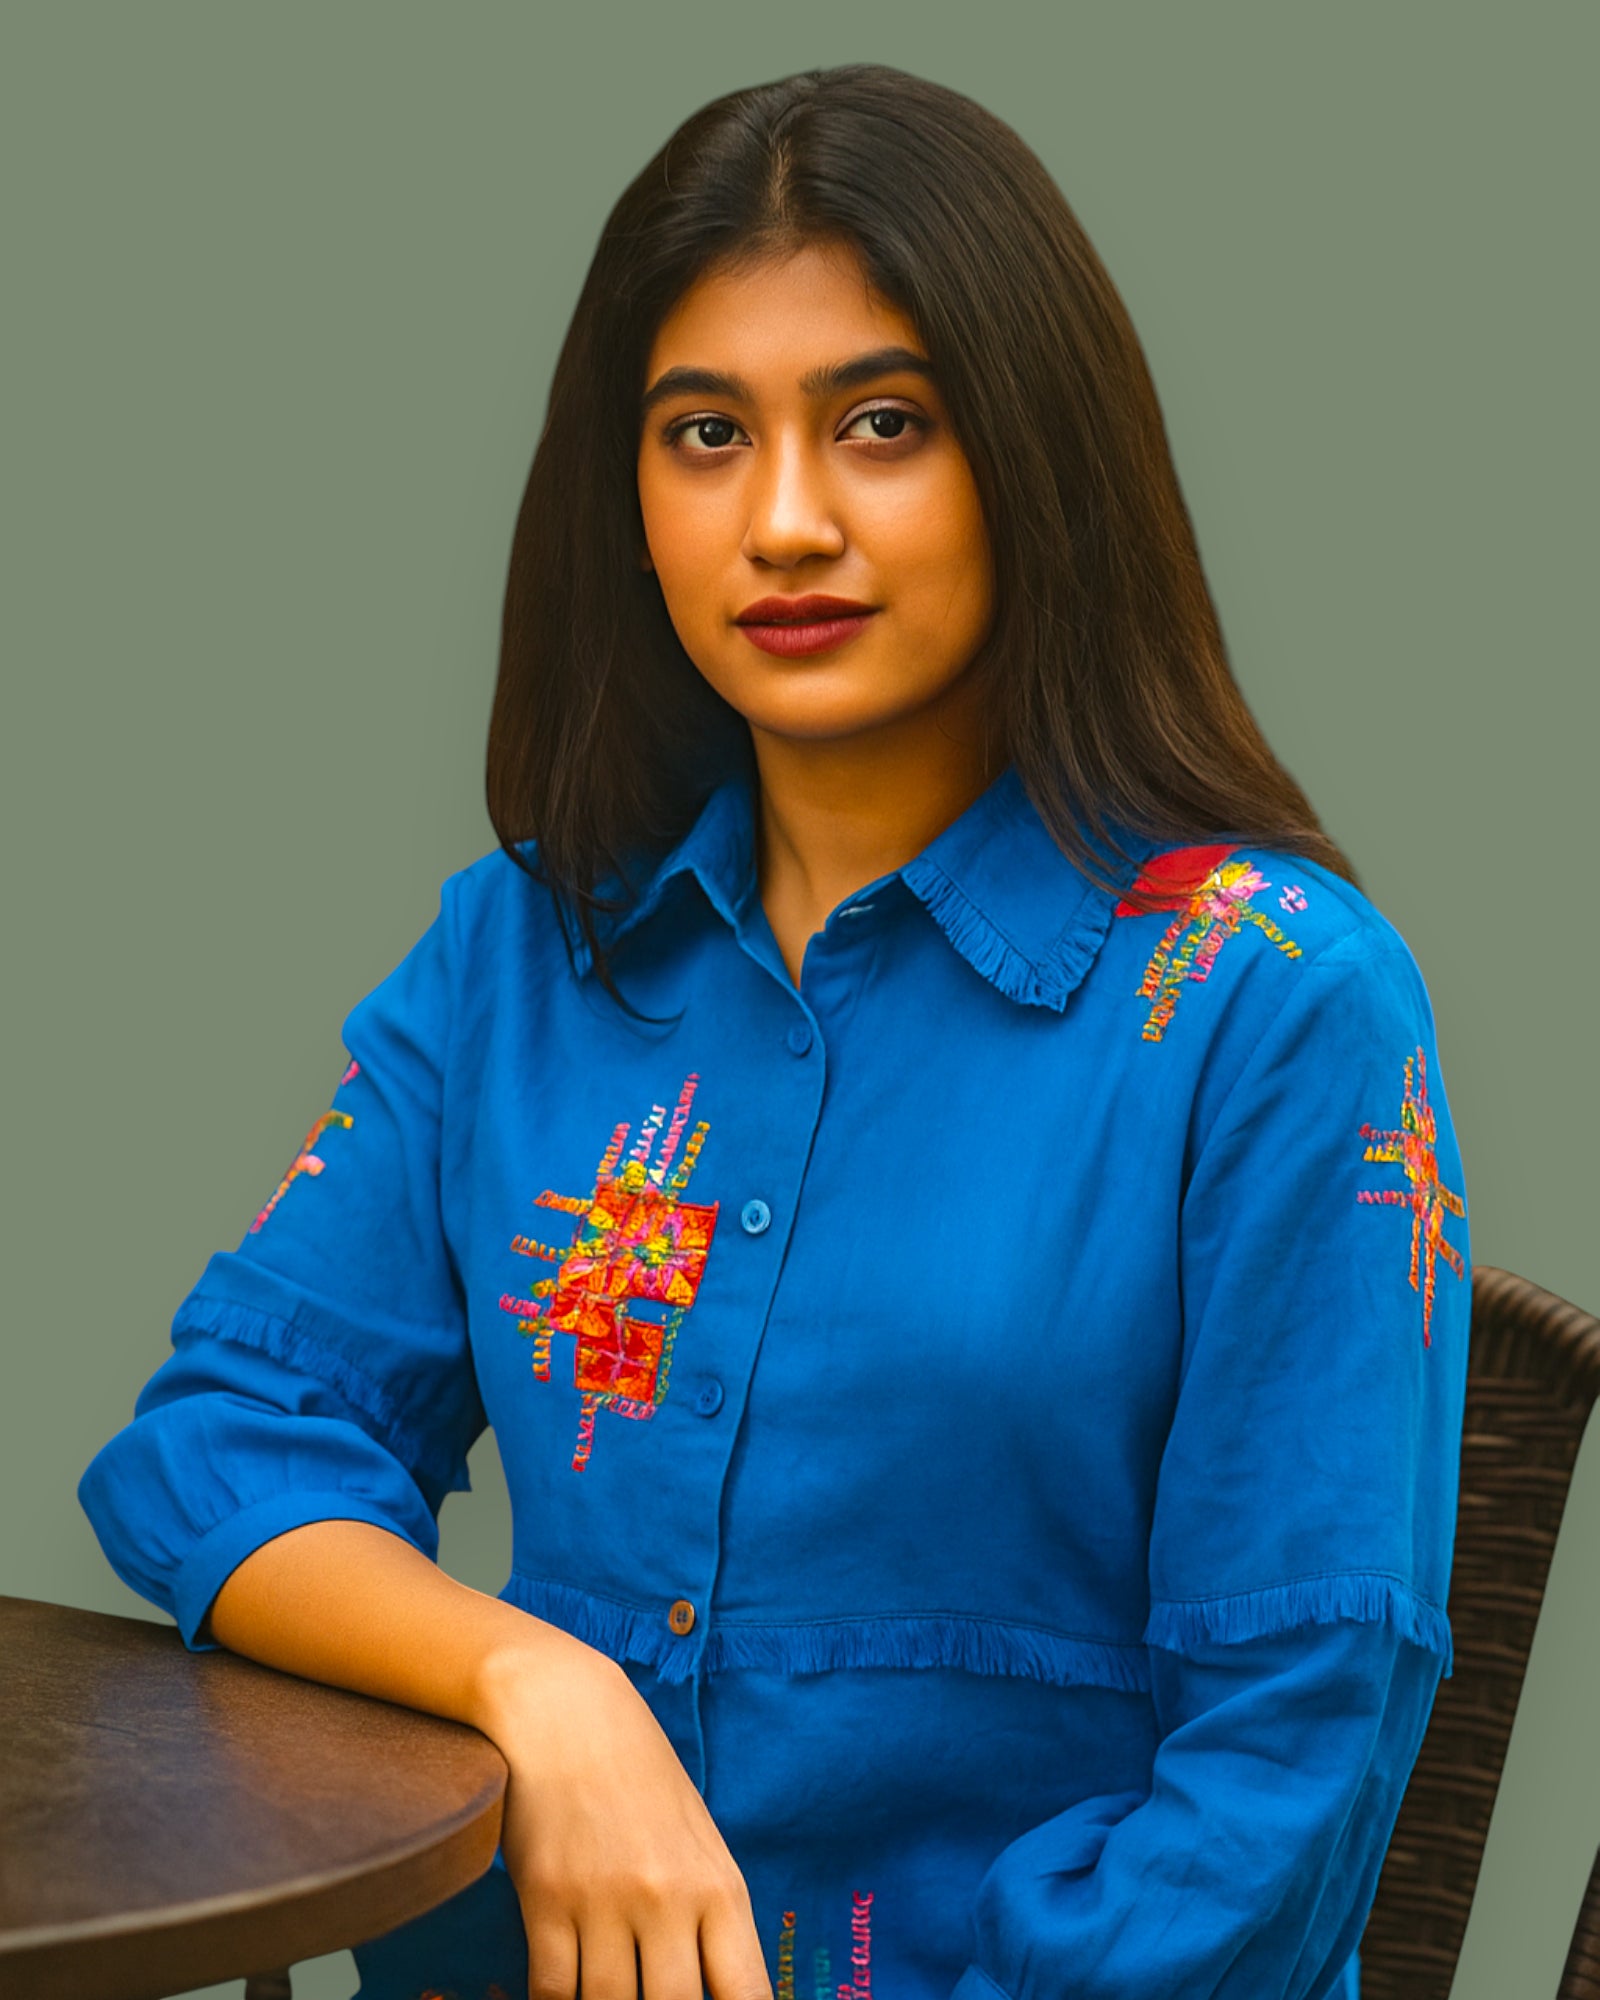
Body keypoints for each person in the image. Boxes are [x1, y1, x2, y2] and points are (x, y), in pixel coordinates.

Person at [78, 61, 1472, 2000]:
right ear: (625, 496)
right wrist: (536, 1681)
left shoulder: (1267, 1003)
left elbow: (1282, 1772)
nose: (786, 518)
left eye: (880, 424)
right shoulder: (518, 957)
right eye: (705, 431)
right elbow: (224, 1438)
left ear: (1032, 461)